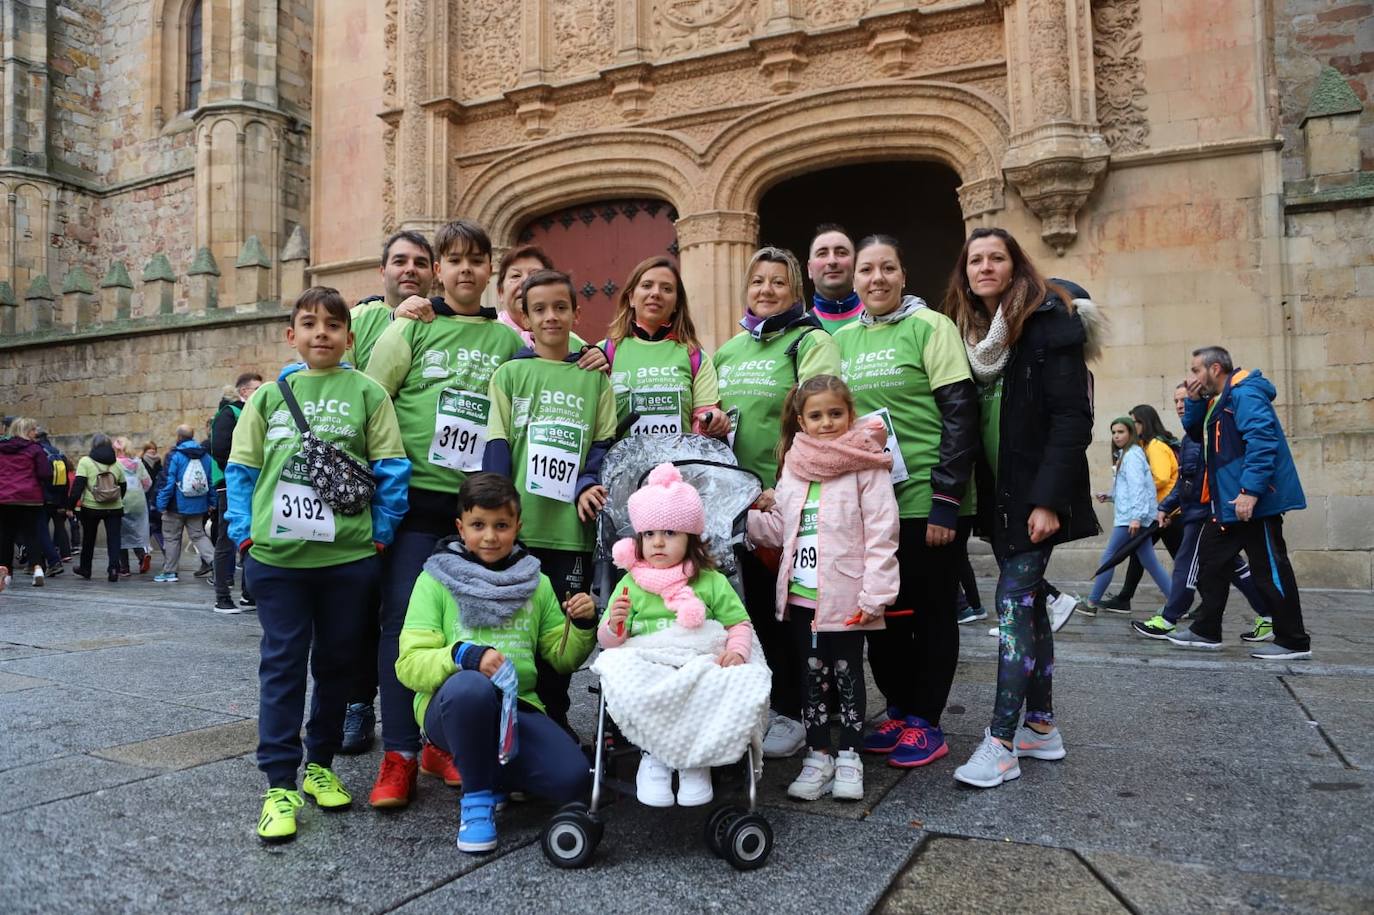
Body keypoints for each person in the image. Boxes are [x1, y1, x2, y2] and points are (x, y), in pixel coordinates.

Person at [226, 286, 410, 843]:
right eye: (309, 324)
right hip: (278, 560)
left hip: (348, 559)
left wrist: (378, 536)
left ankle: (320, 765)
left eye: (333, 324)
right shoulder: (267, 399)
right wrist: (243, 537)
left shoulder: (369, 393)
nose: (321, 333)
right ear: (292, 336)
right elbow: (240, 471)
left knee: (335, 666)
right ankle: (279, 783)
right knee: (282, 664)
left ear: (350, 338)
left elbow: (392, 468)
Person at [364, 219, 524, 806]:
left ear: (490, 271)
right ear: (438, 269)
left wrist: (592, 360)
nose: (464, 270)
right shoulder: (411, 327)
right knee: (402, 627)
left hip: (478, 514)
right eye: (452, 260)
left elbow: (557, 354)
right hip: (415, 504)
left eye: (476, 261)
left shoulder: (508, 339)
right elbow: (371, 397)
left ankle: (444, 742)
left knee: (470, 628)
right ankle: (400, 754)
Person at [939, 228, 1102, 789]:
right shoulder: (971, 336)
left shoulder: (1048, 322)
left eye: (996, 257)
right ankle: (1041, 727)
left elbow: (1072, 419)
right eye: (975, 259)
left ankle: (1001, 743)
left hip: (1036, 497)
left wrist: (1049, 501)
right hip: (1000, 496)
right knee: (1029, 609)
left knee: (1011, 605)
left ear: (1014, 266)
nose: (985, 266)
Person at [834, 235, 979, 769]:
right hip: (869, 506)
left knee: (932, 612)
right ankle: (896, 710)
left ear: (903, 275)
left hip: (925, 501)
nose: (877, 279)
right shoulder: (841, 339)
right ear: (855, 281)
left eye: (887, 269)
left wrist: (947, 499)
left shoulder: (930, 327)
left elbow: (960, 413)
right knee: (885, 612)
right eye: (867, 270)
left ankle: (927, 721)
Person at [396, 473, 595, 853]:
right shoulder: (434, 580)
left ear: (518, 526)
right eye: (478, 525)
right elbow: (409, 665)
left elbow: (561, 656)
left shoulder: (536, 582)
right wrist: (462, 655)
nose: (490, 536)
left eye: (501, 525)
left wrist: (583, 624)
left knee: (573, 781)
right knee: (473, 687)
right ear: (460, 527)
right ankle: (477, 800)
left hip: (518, 708)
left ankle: (494, 774)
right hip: (451, 705)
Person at [714, 246, 841, 759]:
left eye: (778, 283)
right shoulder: (728, 351)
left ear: (796, 290)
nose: (766, 291)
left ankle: (807, 712)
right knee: (760, 612)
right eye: (757, 282)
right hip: (738, 506)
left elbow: (822, 419)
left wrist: (788, 490)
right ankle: (780, 703)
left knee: (797, 613)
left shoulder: (810, 341)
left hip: (791, 503)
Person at [747, 375, 899, 801]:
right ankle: (818, 755)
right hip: (802, 595)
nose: (827, 422)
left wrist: (876, 595)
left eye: (836, 413)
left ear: (850, 414)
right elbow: (781, 529)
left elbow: (883, 533)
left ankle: (849, 755)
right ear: (801, 420)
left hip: (848, 596)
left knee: (848, 674)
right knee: (811, 677)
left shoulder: (865, 465)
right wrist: (746, 517)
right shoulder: (795, 468)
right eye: (816, 415)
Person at [482, 269, 617, 734]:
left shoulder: (596, 380)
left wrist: (585, 483)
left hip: (568, 532)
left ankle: (556, 718)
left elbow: (601, 446)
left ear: (576, 313)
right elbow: (497, 444)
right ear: (525, 316)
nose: (551, 317)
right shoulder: (510, 374)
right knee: (516, 627)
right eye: (539, 309)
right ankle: (517, 717)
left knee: (562, 625)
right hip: (521, 530)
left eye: (560, 307)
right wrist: (500, 520)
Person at [598, 462, 756, 808]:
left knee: (713, 680)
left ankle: (694, 759)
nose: (658, 542)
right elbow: (610, 645)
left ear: (690, 539)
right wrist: (614, 626)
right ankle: (654, 755)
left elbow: (739, 624)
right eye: (650, 534)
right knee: (627, 675)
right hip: (649, 659)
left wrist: (738, 652)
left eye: (670, 534)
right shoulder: (631, 583)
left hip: (696, 657)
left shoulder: (709, 581)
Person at [1165, 346, 1312, 659]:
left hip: (1251, 503)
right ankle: (1206, 630)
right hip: (1227, 505)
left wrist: (1250, 490)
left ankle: (1293, 640)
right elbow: (1194, 432)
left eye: (1195, 370)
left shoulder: (1244, 394)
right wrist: (1193, 402)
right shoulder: (1217, 398)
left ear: (1215, 368)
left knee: (1270, 571)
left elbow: (1262, 440)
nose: (1191, 377)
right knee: (1210, 561)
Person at [1132, 383, 1270, 640]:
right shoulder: (1190, 438)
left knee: (1186, 564)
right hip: (1195, 512)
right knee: (1231, 566)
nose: (1180, 405)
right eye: (1176, 401)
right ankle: (1270, 614)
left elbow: (1203, 480)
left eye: (1184, 400)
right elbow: (1185, 480)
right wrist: (1167, 506)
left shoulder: (1205, 435)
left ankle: (1169, 618)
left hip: (1204, 514)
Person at [603, 256, 730, 439]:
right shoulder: (605, 352)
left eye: (667, 289)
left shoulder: (695, 356)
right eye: (647, 285)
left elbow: (702, 419)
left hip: (679, 465)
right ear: (631, 298)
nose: (656, 293)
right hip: (623, 466)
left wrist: (711, 423)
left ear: (677, 303)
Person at [1082, 417, 1172, 614]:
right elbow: (1128, 490)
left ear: (1131, 433)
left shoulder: (1132, 456)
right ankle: (1177, 604)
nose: (1116, 436)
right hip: (1133, 517)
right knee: (1150, 562)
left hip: (1131, 519)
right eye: (1113, 432)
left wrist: (1136, 518)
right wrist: (1110, 496)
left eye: (1121, 432)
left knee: (1109, 558)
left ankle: (1091, 603)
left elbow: (1138, 489)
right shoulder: (1127, 454)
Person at [347, 230, 438, 372]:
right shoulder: (353, 320)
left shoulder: (445, 322)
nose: (410, 269)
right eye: (400, 262)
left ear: (434, 273)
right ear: (383, 272)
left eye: (420, 264)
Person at [211, 372, 263, 610]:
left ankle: (248, 593)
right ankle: (222, 596)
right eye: (257, 388)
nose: (262, 392)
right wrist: (237, 475)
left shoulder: (258, 412)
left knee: (252, 536)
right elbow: (220, 448)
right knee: (226, 539)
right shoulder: (229, 413)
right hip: (229, 484)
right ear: (244, 392)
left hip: (254, 484)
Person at [153, 425, 213, 582]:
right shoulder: (205, 456)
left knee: (172, 538)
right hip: (199, 505)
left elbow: (168, 483)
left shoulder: (174, 456)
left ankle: (170, 572)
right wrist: (211, 502)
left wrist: (161, 505)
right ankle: (216, 564)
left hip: (176, 506)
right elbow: (211, 482)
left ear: (178, 437)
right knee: (199, 535)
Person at [0, 417, 52, 586]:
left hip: (5, 498)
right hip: (30, 498)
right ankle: (37, 568)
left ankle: (6, 573)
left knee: (6, 536)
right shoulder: (35, 449)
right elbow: (45, 473)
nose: (35, 433)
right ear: (26, 431)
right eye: (33, 430)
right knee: (31, 534)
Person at [71, 432, 127, 582]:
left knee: (88, 539)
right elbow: (123, 485)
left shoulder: (86, 462)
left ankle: (85, 568)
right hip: (114, 507)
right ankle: (114, 569)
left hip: (91, 507)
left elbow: (78, 486)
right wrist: (116, 498)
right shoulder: (116, 463)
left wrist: (70, 505)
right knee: (114, 539)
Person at [806, 224, 863, 332]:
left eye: (841, 253)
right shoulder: (799, 330)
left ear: (856, 263)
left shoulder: (880, 318)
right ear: (809, 269)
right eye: (822, 254)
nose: (832, 261)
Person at [113, 437, 153, 576]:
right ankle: (142, 556)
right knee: (135, 532)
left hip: (122, 500)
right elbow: (147, 483)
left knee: (120, 534)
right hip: (138, 501)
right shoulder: (138, 463)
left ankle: (124, 568)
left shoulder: (115, 464)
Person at [36, 428, 74, 565]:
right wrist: (64, 502)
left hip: (44, 497)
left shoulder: (38, 452)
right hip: (59, 497)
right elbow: (66, 481)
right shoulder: (58, 453)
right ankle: (66, 554)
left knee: (42, 528)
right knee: (60, 526)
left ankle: (42, 558)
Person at [141, 442, 164, 553]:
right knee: (149, 522)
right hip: (144, 495)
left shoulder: (159, 462)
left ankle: (145, 548)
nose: (152, 450)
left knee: (155, 523)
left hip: (156, 495)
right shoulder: (141, 462)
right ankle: (145, 547)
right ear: (145, 450)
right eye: (149, 448)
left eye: (154, 448)